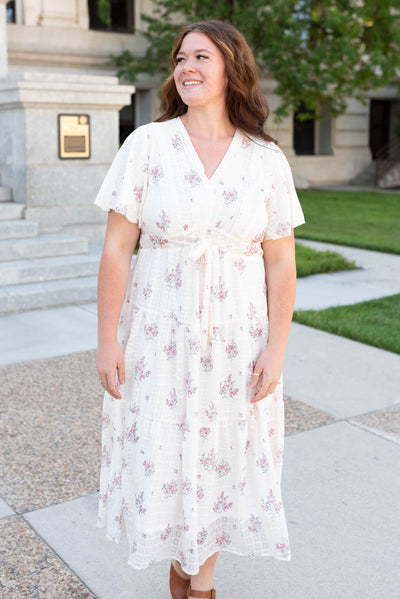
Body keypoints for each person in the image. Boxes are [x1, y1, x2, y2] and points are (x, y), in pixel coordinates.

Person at [94, 19, 305, 599]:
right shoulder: (147, 146)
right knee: (166, 457)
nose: (186, 67)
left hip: (237, 341)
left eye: (201, 57)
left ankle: (198, 584)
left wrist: (277, 349)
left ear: (232, 67)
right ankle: (190, 583)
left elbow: (280, 264)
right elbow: (117, 248)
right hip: (159, 333)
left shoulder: (265, 159)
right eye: (180, 57)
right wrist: (107, 339)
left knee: (221, 461)